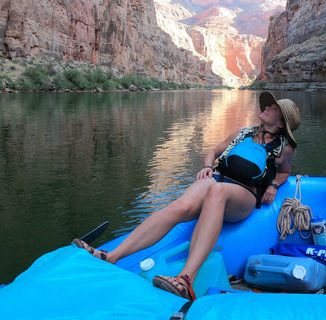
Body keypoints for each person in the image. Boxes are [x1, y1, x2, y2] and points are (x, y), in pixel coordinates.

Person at [73, 91, 301, 301]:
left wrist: (273, 185)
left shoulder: (285, 148)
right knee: (179, 207)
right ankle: (112, 256)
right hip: (218, 180)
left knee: (216, 191)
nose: (268, 108)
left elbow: (284, 172)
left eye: (274, 108)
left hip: (244, 196)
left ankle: (185, 281)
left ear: (281, 122)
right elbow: (212, 151)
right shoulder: (242, 133)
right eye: (269, 105)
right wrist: (208, 167)